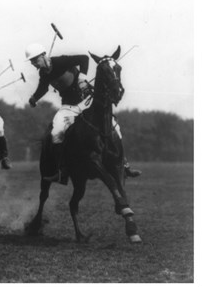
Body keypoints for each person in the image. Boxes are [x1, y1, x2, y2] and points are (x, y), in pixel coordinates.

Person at [25, 43, 141, 184]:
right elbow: (43, 88)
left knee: (114, 126)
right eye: (32, 61)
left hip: (87, 101)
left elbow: (84, 59)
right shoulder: (43, 73)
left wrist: (81, 78)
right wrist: (34, 98)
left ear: (43, 56)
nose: (33, 64)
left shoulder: (60, 61)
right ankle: (62, 171)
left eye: (35, 60)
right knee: (56, 133)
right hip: (68, 106)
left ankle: (124, 165)